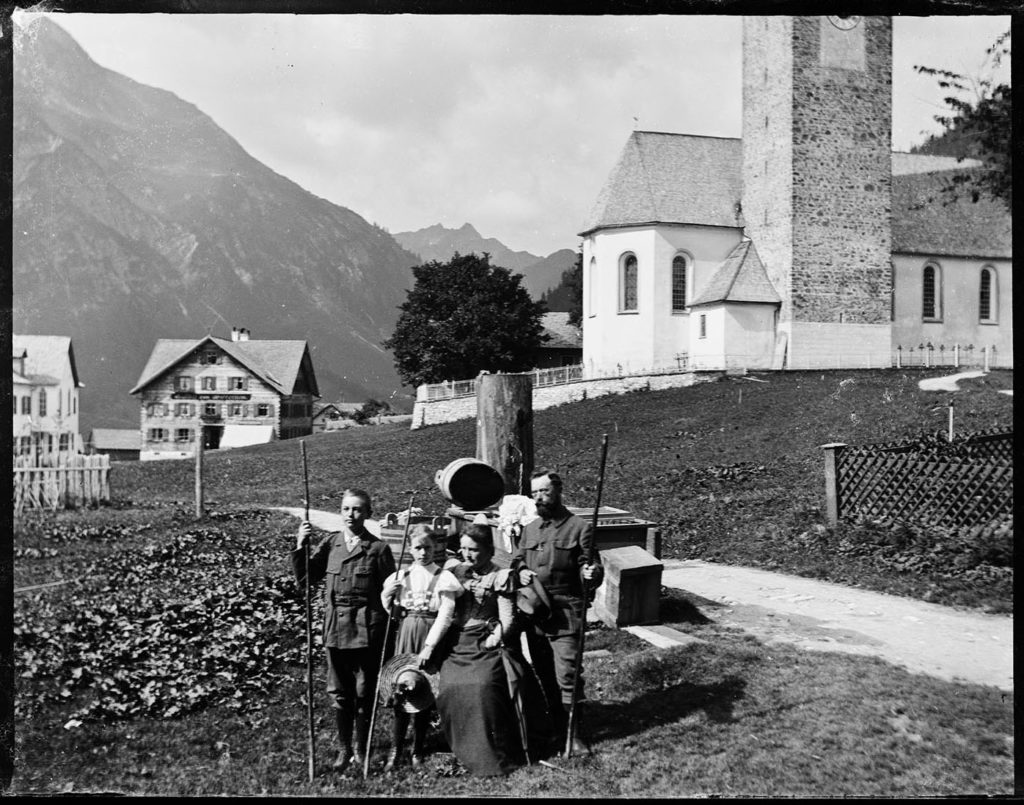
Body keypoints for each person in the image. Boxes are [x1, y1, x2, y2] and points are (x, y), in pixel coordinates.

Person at [435, 524, 553, 776]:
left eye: (474, 550)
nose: (467, 554)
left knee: (482, 687)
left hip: (488, 640)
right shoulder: (456, 570)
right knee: (449, 686)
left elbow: (507, 620)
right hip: (459, 642)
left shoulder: (501, 576)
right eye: (464, 548)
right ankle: (460, 748)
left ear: (489, 550)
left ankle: (489, 752)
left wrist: (492, 641)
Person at [292, 488, 395, 774]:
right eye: (347, 509)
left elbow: (389, 595)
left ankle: (361, 750)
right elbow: (305, 579)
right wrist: (301, 545)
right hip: (335, 629)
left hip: (366, 630)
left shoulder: (379, 549)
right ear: (341, 511)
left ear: (368, 513)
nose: (351, 515)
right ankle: (344, 749)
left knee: (364, 690)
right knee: (339, 691)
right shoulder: (331, 543)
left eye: (358, 509)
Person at [511, 469, 604, 755]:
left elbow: (592, 567)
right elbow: (516, 560)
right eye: (535, 492)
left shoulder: (579, 528)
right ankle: (556, 728)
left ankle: (574, 735)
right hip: (534, 613)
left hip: (565, 612)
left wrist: (591, 572)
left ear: (558, 491)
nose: (539, 497)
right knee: (545, 673)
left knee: (568, 674)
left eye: (544, 491)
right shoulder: (529, 529)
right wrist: (522, 570)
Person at [379, 525, 461, 770]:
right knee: (401, 689)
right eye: (418, 547)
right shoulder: (401, 576)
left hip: (429, 637)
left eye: (427, 547)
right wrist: (387, 597)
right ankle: (396, 749)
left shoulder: (443, 577)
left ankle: (417, 749)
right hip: (406, 632)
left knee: (424, 691)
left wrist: (429, 646)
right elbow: (393, 613)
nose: (423, 552)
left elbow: (445, 615)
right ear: (411, 549)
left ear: (435, 547)